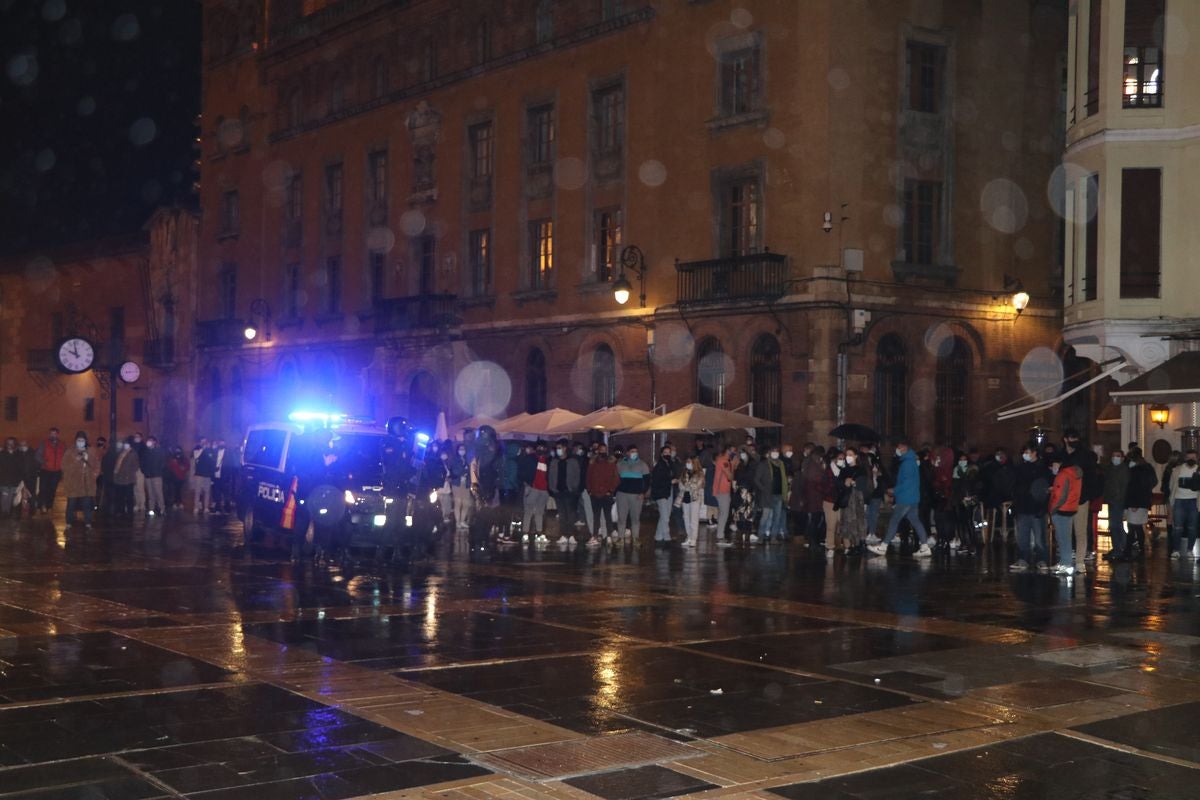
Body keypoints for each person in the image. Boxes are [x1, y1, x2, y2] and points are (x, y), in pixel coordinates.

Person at [869, 441, 933, 558]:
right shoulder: (911, 461)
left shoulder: (907, 463)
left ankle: (883, 546)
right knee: (915, 520)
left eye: (898, 448)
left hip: (906, 497)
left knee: (895, 520)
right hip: (912, 496)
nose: (896, 451)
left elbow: (907, 482)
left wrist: (895, 490)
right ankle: (924, 546)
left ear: (903, 448)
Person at [1009, 442, 1051, 572]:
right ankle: (1023, 559)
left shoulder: (1042, 469)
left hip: (1036, 507)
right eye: (1024, 452)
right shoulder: (1020, 468)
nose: (1025, 455)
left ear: (1034, 453)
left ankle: (1042, 559)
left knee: (1039, 536)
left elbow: (1045, 489)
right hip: (1023, 506)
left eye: (1027, 452)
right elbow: (1015, 487)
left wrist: (1043, 506)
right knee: (1022, 536)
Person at [1062, 429, 1100, 563]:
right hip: (1067, 498)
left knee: (1080, 530)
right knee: (1067, 530)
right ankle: (1070, 559)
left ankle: (1079, 561)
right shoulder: (1063, 455)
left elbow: (1089, 478)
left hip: (1080, 497)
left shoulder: (1084, 456)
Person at [1048, 454, 1082, 575]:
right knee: (1066, 537)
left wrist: (1053, 508)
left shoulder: (1063, 475)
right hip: (1071, 507)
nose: (1052, 467)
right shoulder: (1076, 474)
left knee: (1062, 538)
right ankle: (1064, 562)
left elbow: (1059, 495)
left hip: (1061, 509)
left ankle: (1065, 564)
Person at [1123, 448, 1158, 560]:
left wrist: (1134, 503)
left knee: (1133, 527)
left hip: (1135, 502)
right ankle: (1140, 551)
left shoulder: (1136, 469)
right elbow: (1152, 482)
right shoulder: (1147, 467)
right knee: (1137, 527)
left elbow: (1134, 487)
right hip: (1143, 501)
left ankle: (1129, 551)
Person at [836, 446, 870, 555]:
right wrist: (844, 482)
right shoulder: (844, 470)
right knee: (849, 521)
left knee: (859, 520)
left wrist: (854, 483)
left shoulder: (860, 469)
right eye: (847, 455)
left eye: (850, 455)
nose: (848, 457)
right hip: (848, 498)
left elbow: (864, 484)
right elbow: (839, 483)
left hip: (857, 498)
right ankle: (853, 544)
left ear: (855, 456)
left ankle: (861, 543)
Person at [548, 440, 582, 543]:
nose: (558, 450)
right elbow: (550, 476)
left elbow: (577, 475)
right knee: (562, 514)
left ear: (565, 448)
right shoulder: (554, 462)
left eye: (560, 448)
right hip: (558, 491)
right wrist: (552, 488)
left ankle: (571, 535)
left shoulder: (572, 461)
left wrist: (573, 487)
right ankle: (563, 534)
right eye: (557, 448)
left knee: (570, 514)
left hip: (569, 491)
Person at [753, 445, 789, 544]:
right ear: (769, 453)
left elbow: (784, 479)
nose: (775, 453)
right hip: (767, 495)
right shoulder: (763, 464)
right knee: (765, 516)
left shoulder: (781, 464)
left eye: (777, 451)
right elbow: (757, 479)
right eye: (773, 451)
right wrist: (764, 489)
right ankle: (760, 535)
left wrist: (785, 493)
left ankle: (774, 537)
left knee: (777, 517)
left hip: (778, 494)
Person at [1168, 448, 1199, 560]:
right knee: (1178, 527)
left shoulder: (1198, 470)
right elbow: (1171, 486)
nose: (1191, 459)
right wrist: (1171, 502)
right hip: (1179, 500)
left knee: (1192, 527)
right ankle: (1176, 550)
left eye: (1193, 457)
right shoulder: (1177, 470)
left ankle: (1190, 550)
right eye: (1189, 457)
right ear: (1185, 458)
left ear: (1197, 458)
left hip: (1194, 501)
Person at [585, 444, 619, 545]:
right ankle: (595, 536)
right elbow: (588, 477)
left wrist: (610, 490)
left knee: (607, 516)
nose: (603, 452)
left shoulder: (611, 463)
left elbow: (616, 478)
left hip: (606, 493)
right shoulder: (593, 463)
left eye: (604, 450)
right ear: (598, 451)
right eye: (601, 450)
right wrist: (590, 490)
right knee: (596, 516)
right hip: (595, 494)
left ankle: (608, 535)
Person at [614, 446, 649, 541]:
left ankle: (635, 538)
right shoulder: (620, 464)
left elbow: (647, 481)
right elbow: (615, 478)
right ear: (627, 453)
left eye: (636, 451)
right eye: (632, 451)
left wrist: (643, 492)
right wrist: (615, 492)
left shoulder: (642, 464)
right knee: (621, 517)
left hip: (636, 495)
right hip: (622, 494)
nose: (635, 453)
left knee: (635, 518)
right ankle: (620, 538)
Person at [62, 431, 96, 527]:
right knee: (71, 503)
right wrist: (75, 461)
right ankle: (69, 522)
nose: (80, 442)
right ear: (75, 441)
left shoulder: (91, 451)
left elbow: (96, 464)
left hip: (87, 482)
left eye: (82, 440)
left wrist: (94, 474)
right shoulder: (70, 452)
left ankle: (88, 522)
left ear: (85, 441)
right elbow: (64, 466)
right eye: (78, 440)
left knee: (87, 503)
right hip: (73, 482)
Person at [1101, 449, 1129, 562]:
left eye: (1117, 456)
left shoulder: (1123, 470)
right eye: (1113, 456)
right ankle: (1120, 547)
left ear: (1122, 458)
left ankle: (1120, 548)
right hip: (1112, 501)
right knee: (1115, 526)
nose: (1115, 458)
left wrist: (1118, 498)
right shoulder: (1111, 469)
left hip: (1118, 501)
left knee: (1115, 525)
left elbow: (1123, 487)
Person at [952, 452, 982, 555]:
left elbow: (975, 485)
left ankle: (972, 544)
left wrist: (971, 496)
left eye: (964, 459)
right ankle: (963, 543)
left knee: (969, 521)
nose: (962, 462)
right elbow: (955, 486)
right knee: (960, 522)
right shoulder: (956, 471)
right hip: (958, 499)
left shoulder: (972, 470)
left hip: (969, 499)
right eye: (960, 460)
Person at [520, 441, 550, 542]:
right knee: (528, 511)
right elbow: (523, 471)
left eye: (543, 448)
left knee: (540, 512)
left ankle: (539, 533)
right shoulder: (530, 458)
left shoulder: (548, 459)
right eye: (539, 447)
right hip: (532, 488)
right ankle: (525, 533)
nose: (541, 449)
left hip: (544, 490)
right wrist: (528, 484)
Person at [650, 445, 678, 546]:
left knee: (665, 514)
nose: (667, 454)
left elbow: (674, 474)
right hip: (661, 493)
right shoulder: (659, 466)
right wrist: (670, 481)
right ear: (661, 454)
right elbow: (657, 481)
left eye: (669, 453)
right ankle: (667, 537)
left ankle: (658, 536)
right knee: (665, 516)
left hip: (668, 491)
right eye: (665, 453)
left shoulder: (670, 464)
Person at [675, 456, 705, 547]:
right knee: (686, 518)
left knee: (694, 519)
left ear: (694, 463)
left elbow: (697, 485)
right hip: (685, 497)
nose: (687, 464)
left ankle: (693, 539)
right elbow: (680, 484)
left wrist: (687, 485)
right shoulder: (684, 472)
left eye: (689, 462)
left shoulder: (700, 473)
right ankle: (688, 537)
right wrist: (685, 486)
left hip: (695, 498)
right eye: (687, 462)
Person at [34, 427, 66, 513]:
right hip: (46, 470)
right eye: (51, 434)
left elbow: (65, 457)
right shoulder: (44, 443)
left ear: (58, 434)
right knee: (43, 488)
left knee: (52, 489)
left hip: (57, 471)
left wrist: (63, 467)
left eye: (55, 434)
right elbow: (37, 455)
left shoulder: (62, 445)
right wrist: (44, 462)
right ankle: (41, 505)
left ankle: (49, 506)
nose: (53, 435)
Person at [712, 444, 736, 546]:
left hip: (723, 490)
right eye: (733, 451)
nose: (734, 454)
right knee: (724, 514)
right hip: (722, 491)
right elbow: (730, 476)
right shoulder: (724, 461)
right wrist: (734, 465)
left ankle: (720, 535)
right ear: (728, 451)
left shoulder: (724, 461)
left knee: (723, 513)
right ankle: (720, 537)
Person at [111, 437, 141, 519]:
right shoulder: (121, 453)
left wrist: (129, 473)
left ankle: (129, 512)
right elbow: (117, 463)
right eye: (125, 444)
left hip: (128, 478)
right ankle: (120, 511)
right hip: (119, 478)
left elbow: (135, 466)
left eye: (127, 444)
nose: (125, 445)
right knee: (120, 496)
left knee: (128, 496)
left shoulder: (133, 453)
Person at [448, 441, 474, 531]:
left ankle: (462, 520)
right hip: (457, 483)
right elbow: (455, 471)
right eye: (460, 449)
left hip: (466, 484)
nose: (462, 451)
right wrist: (464, 472)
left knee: (466, 503)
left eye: (463, 449)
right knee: (458, 503)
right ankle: (457, 522)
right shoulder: (455, 460)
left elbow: (470, 472)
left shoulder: (467, 460)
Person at [140, 436, 166, 516]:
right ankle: (151, 509)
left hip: (157, 475)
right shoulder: (146, 452)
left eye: (150, 441)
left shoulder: (159, 451)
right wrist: (144, 471)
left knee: (158, 492)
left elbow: (163, 462)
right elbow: (142, 462)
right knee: (150, 493)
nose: (149, 442)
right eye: (148, 441)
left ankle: (162, 508)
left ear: (154, 442)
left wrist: (159, 470)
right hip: (148, 475)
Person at [191, 439, 217, 515]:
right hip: (199, 474)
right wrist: (202, 449)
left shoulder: (210, 451)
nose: (204, 443)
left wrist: (212, 476)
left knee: (207, 492)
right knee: (198, 491)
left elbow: (212, 462)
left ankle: (206, 508)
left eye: (206, 442)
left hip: (207, 475)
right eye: (203, 442)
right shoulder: (197, 449)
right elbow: (196, 457)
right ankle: (196, 507)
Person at [16, 440, 38, 518]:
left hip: (31, 477)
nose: (23, 446)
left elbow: (36, 464)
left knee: (31, 494)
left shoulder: (33, 453)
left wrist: (35, 474)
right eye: (21, 445)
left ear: (28, 445)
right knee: (19, 494)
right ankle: (19, 510)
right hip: (20, 477)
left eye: (24, 444)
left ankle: (32, 510)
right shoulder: (17, 453)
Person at [0, 438, 21, 518]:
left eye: (12, 443)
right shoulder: (2, 454)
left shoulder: (18, 454)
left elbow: (20, 467)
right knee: (4, 497)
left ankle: (7, 512)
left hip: (14, 480)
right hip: (4, 480)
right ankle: (4, 512)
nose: (10, 445)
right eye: (8, 443)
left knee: (10, 497)